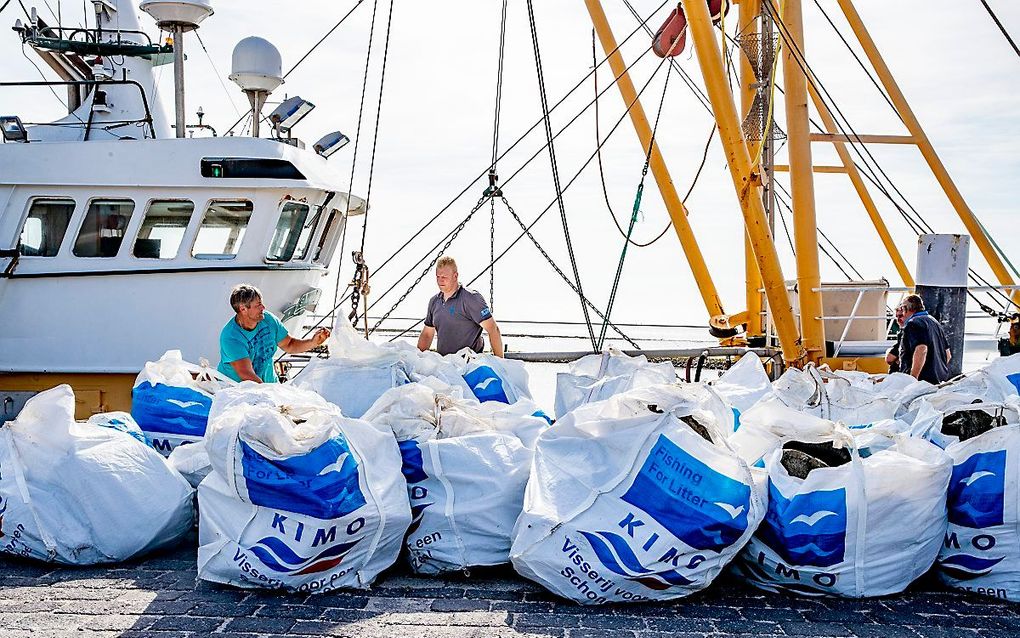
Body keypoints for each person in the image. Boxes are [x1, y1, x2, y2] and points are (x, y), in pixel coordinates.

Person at [218, 284, 330, 383]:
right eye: (258, 305)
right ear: (243, 309)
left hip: (268, 385)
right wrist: (272, 395)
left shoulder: (268, 319)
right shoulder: (230, 337)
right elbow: (247, 375)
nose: (263, 308)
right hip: (237, 392)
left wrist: (313, 342)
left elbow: (289, 344)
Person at [417, 256, 504, 357]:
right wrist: (418, 360)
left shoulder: (471, 298)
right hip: (444, 365)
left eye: (444, 277)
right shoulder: (434, 302)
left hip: (470, 365)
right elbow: (427, 334)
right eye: (438, 277)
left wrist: (500, 364)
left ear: (455, 276)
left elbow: (493, 329)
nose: (440, 281)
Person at [898, 294, 952, 384]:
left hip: (922, 382)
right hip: (939, 380)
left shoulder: (913, 323)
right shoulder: (935, 322)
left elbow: (921, 349)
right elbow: (947, 355)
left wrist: (913, 379)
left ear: (905, 309)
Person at [885, 304, 907, 373]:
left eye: (900, 316)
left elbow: (889, 359)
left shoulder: (907, 333)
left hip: (901, 375)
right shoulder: (902, 333)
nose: (898, 319)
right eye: (896, 317)